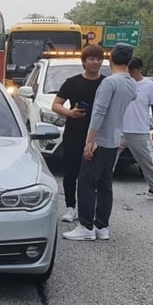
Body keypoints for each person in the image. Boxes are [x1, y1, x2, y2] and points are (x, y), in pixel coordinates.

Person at [63, 43, 140, 241]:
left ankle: (86, 226)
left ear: (110, 58)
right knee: (105, 184)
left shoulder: (109, 82)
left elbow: (99, 112)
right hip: (114, 139)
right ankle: (102, 226)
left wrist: (90, 141)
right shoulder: (131, 83)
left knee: (87, 182)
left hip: (100, 139)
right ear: (129, 61)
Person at [52, 44, 105, 223]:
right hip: (74, 133)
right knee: (71, 171)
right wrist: (70, 113)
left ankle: (90, 209)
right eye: (91, 59)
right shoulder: (72, 82)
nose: (95, 62)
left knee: (93, 174)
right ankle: (70, 207)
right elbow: (56, 104)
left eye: (99, 59)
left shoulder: (106, 83)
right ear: (84, 62)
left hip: (99, 133)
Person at [120, 57, 153, 202]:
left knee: (147, 160)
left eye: (133, 70)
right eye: (128, 70)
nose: (131, 73)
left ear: (140, 70)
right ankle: (100, 186)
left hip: (139, 130)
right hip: (119, 129)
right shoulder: (121, 83)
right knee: (107, 159)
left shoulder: (149, 86)